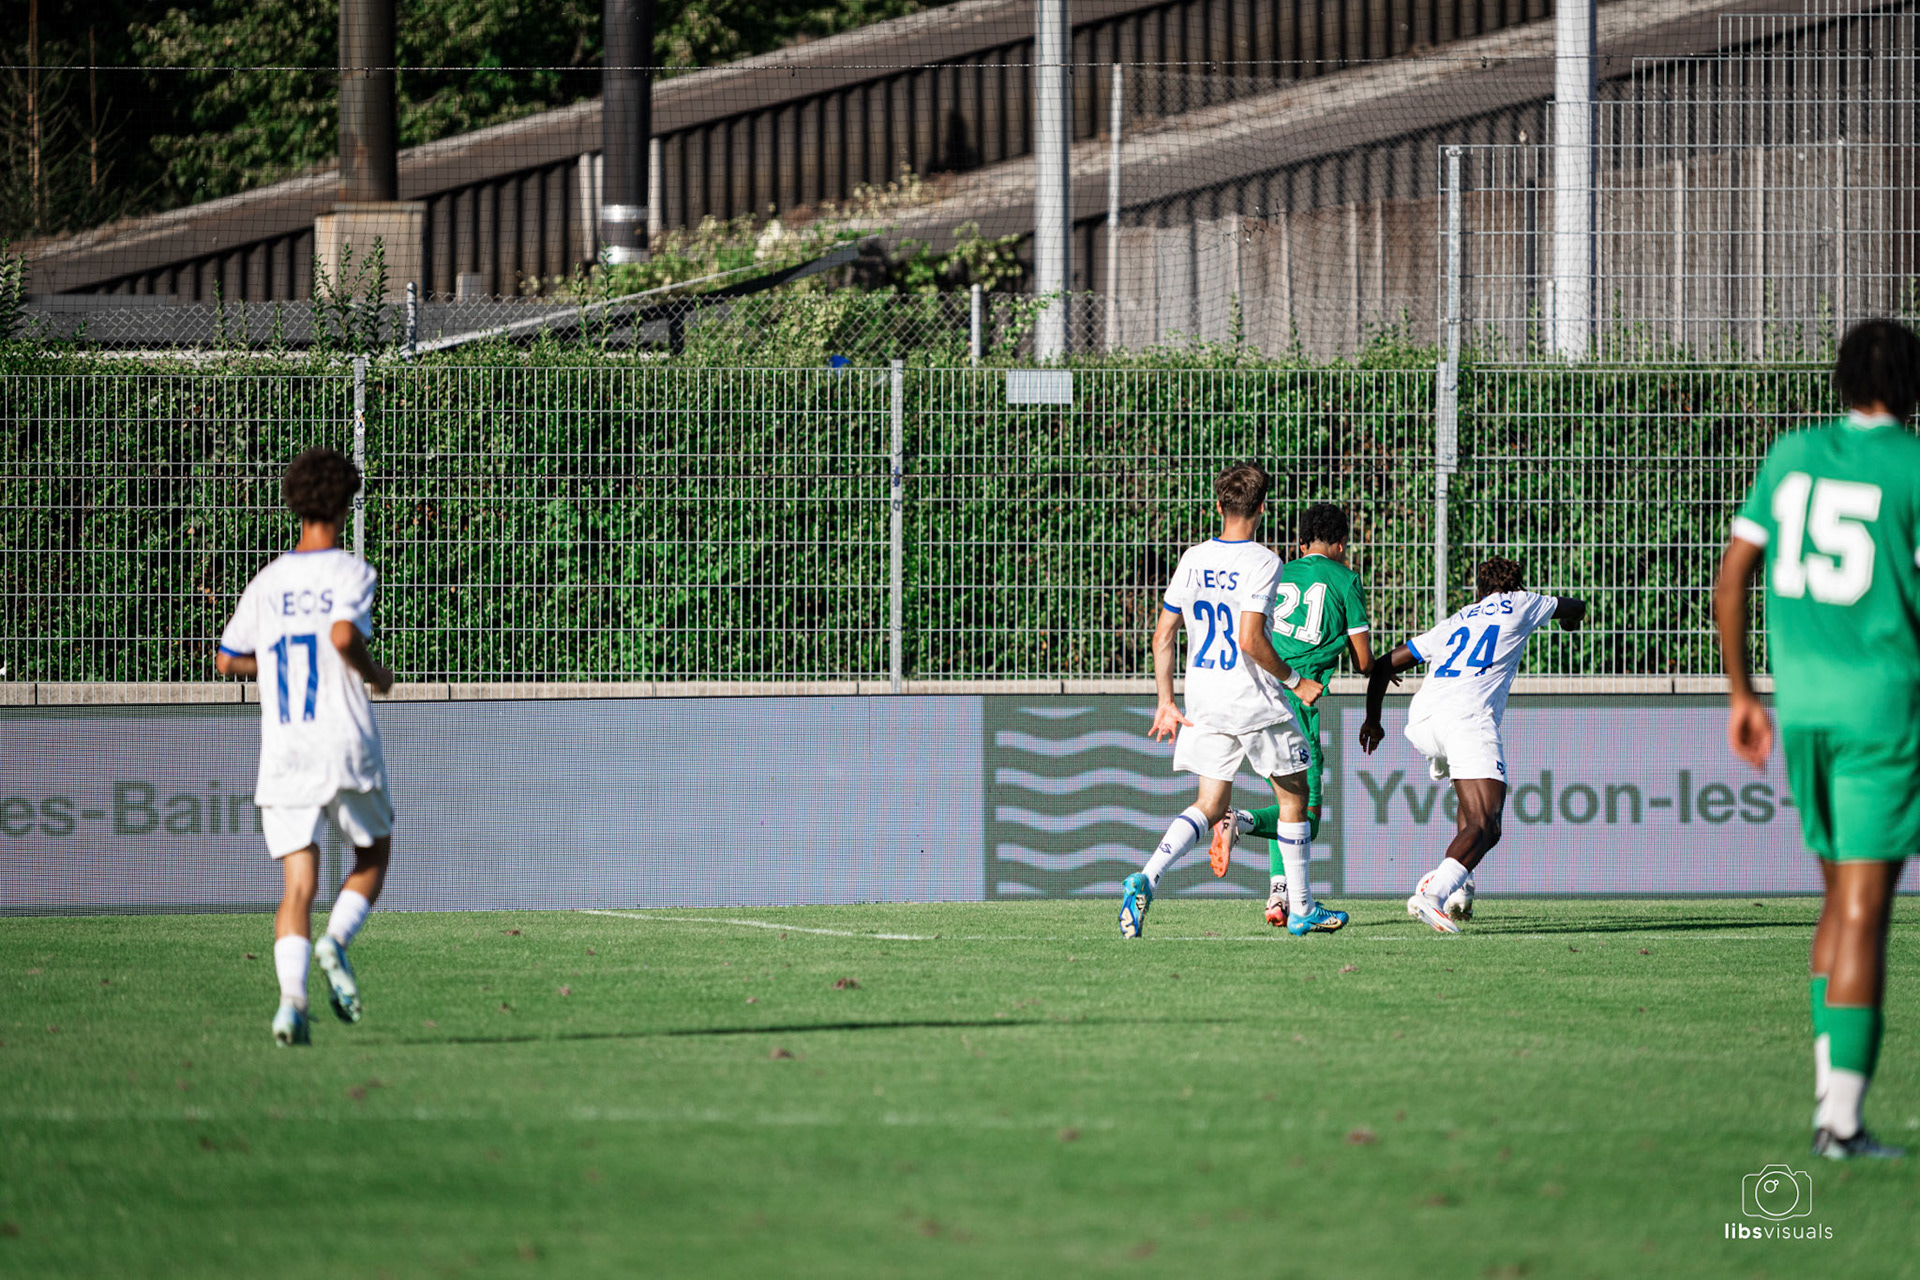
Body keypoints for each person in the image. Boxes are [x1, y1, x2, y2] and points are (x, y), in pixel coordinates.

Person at [1715, 318, 1920, 1160]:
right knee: (1867, 909)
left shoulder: (1792, 454)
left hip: (1801, 708)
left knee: (1838, 901)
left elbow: (1731, 579)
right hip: (1882, 713)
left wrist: (1742, 695)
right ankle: (1841, 1122)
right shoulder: (1912, 466)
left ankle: (1829, 1101)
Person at [1121, 462, 1348, 939]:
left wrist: (1165, 701)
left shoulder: (1192, 558)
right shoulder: (1264, 561)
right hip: (1253, 700)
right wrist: (1295, 681)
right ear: (1263, 508)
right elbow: (1250, 639)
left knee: (1208, 804)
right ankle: (1302, 908)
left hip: (1204, 699)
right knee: (1295, 795)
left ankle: (1146, 878)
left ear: (1218, 506)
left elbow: (1163, 635)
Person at [215, 447, 396, 1047]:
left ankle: (292, 1002)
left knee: (297, 886)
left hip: (285, 749)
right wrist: (376, 674)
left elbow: (227, 659)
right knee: (372, 853)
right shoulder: (351, 572)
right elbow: (343, 635)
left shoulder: (268, 582)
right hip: (342, 740)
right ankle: (335, 941)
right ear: (346, 504)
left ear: (294, 503)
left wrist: (273, 665)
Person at [1358, 557, 1586, 933]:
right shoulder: (1521, 602)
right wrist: (1569, 621)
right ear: (1515, 587)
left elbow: (1384, 665)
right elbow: (1576, 606)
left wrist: (1373, 720)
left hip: (1424, 719)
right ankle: (1433, 892)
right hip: (1466, 718)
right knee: (1487, 823)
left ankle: (1460, 888)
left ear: (1479, 591)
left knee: (1470, 805)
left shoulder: (1458, 620)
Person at [1207, 502, 1373, 928]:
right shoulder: (1346, 579)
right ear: (1341, 544)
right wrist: (1386, 666)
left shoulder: (1277, 571)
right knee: (1307, 818)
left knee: (1286, 800)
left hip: (1257, 693)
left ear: (1301, 544)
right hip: (1299, 701)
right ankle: (1239, 821)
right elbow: (1364, 662)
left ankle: (1279, 895)